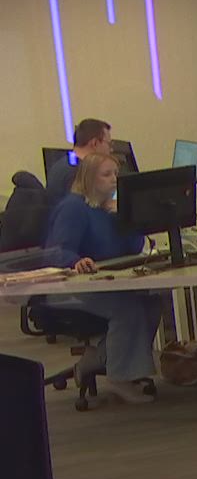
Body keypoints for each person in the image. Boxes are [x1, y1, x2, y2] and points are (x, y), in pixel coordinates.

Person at [42, 153, 166, 404]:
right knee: (127, 309)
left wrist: (123, 217)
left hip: (108, 281)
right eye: (106, 175)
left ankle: (98, 360)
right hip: (70, 287)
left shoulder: (109, 207)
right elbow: (55, 251)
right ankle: (119, 378)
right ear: (89, 178)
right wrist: (75, 261)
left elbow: (135, 247)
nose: (113, 179)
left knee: (153, 300)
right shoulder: (74, 208)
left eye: (116, 174)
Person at [46, 118, 114, 198]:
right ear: (95, 143)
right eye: (109, 144)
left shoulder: (62, 164)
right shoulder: (81, 172)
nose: (111, 150)